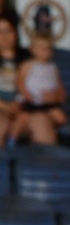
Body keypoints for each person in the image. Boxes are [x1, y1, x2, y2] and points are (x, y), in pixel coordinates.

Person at [9, 31, 64, 146]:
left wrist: (54, 96)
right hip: (31, 99)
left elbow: (59, 87)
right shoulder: (28, 65)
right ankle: (12, 138)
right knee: (23, 118)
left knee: (61, 117)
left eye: (47, 48)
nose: (44, 51)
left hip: (47, 101)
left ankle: (62, 131)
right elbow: (19, 82)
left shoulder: (53, 67)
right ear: (32, 49)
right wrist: (26, 93)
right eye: (40, 47)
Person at [0, 14, 26, 143]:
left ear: (15, 33)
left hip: (24, 109)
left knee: (40, 120)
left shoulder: (28, 57)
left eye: (8, 31)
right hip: (1, 108)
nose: (4, 36)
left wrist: (19, 104)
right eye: (0, 32)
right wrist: (4, 106)